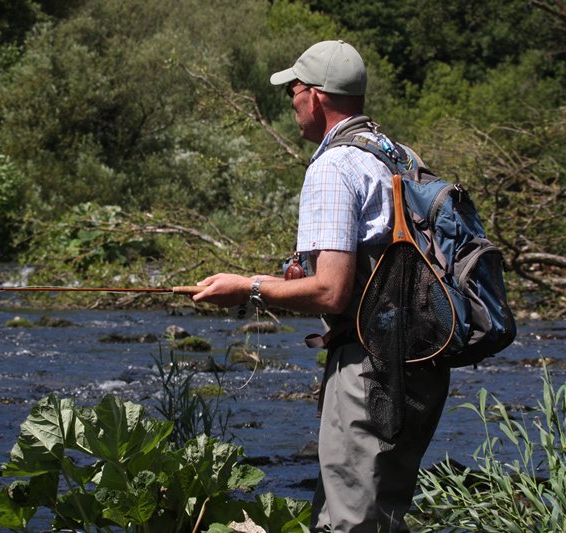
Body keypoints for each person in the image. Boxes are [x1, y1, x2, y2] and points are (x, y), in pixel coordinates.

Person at [192, 40, 450, 532]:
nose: (290, 101)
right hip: (419, 360)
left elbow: (331, 291)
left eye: (293, 90)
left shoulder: (334, 166)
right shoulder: (395, 153)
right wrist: (267, 280)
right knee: (379, 514)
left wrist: (247, 288)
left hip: (371, 366)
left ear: (314, 96)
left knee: (350, 521)